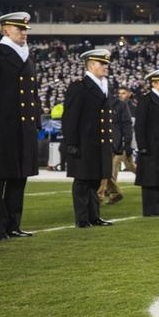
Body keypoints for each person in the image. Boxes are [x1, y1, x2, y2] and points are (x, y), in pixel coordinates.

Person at [0, 12, 40, 241]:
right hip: (2, 126)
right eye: (19, 29)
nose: (24, 32)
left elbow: (33, 93)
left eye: (25, 29)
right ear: (5, 31)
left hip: (24, 125)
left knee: (19, 176)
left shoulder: (28, 56)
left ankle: (13, 224)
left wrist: (36, 120)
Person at [62, 49, 115, 228]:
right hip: (85, 141)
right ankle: (82, 218)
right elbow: (70, 117)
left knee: (95, 180)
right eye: (102, 64)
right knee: (82, 181)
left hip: (99, 143)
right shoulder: (79, 86)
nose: (106, 67)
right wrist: (72, 143)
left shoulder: (106, 85)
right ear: (91, 66)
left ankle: (94, 216)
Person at [135, 68, 159, 217]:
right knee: (150, 178)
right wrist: (142, 145)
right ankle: (151, 209)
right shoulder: (147, 99)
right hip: (151, 145)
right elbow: (140, 124)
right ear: (154, 83)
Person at [97, 86, 135, 205]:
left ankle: (98, 197)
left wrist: (127, 144)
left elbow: (127, 125)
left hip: (112, 142)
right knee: (104, 168)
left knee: (103, 167)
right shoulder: (96, 104)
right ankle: (115, 192)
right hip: (97, 141)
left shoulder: (120, 105)